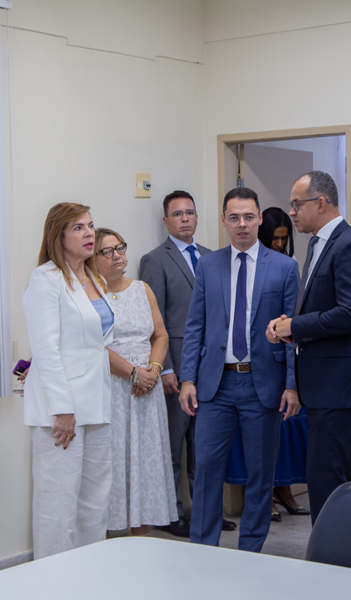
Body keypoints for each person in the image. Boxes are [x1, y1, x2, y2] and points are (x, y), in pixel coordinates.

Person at [179, 187, 301, 552]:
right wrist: (188, 378)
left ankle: (250, 551)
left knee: (260, 474)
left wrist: (292, 385)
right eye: (234, 217)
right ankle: (203, 550)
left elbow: (293, 333)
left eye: (249, 216)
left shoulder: (284, 267)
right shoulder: (208, 265)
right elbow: (195, 326)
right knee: (207, 471)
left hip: (262, 385)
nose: (242, 224)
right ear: (223, 221)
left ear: (260, 218)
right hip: (214, 385)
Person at [267, 171, 351, 525]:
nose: (291, 212)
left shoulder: (350, 245)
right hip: (326, 383)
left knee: (324, 478)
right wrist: (292, 327)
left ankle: (331, 552)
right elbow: (325, 307)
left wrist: (296, 326)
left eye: (296, 204)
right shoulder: (318, 244)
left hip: (341, 384)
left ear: (321, 203)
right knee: (335, 474)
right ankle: (348, 548)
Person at [22, 203, 116, 558]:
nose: (89, 233)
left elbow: (97, 344)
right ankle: (53, 582)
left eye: (90, 225)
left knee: (95, 503)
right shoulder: (45, 279)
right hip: (62, 411)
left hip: (97, 404)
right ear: (58, 236)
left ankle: (88, 576)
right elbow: (46, 351)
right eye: (78, 228)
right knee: (58, 508)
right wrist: (62, 410)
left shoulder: (94, 278)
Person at [141, 191, 236, 537]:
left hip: (212, 369)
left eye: (190, 213)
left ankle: (206, 513)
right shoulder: (155, 260)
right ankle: (170, 514)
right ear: (166, 221)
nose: (185, 219)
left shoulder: (214, 257)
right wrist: (164, 367)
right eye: (178, 214)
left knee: (205, 446)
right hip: (176, 366)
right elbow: (155, 322)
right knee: (173, 445)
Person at [225, 207, 310, 520]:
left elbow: (293, 321)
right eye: (274, 238)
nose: (279, 244)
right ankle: (265, 495)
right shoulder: (233, 264)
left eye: (284, 239)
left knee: (285, 435)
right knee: (256, 444)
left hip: (282, 369)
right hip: (249, 370)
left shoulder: (287, 265)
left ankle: (283, 490)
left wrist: (292, 381)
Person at [94, 228, 177, 535]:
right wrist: (132, 373)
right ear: (92, 259)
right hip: (114, 388)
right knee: (113, 461)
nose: (117, 255)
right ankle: (106, 538)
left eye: (120, 248)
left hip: (147, 390)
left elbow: (161, 335)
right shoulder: (90, 294)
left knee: (145, 462)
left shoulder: (143, 289)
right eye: (107, 251)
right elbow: (93, 347)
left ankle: (142, 536)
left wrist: (153, 370)